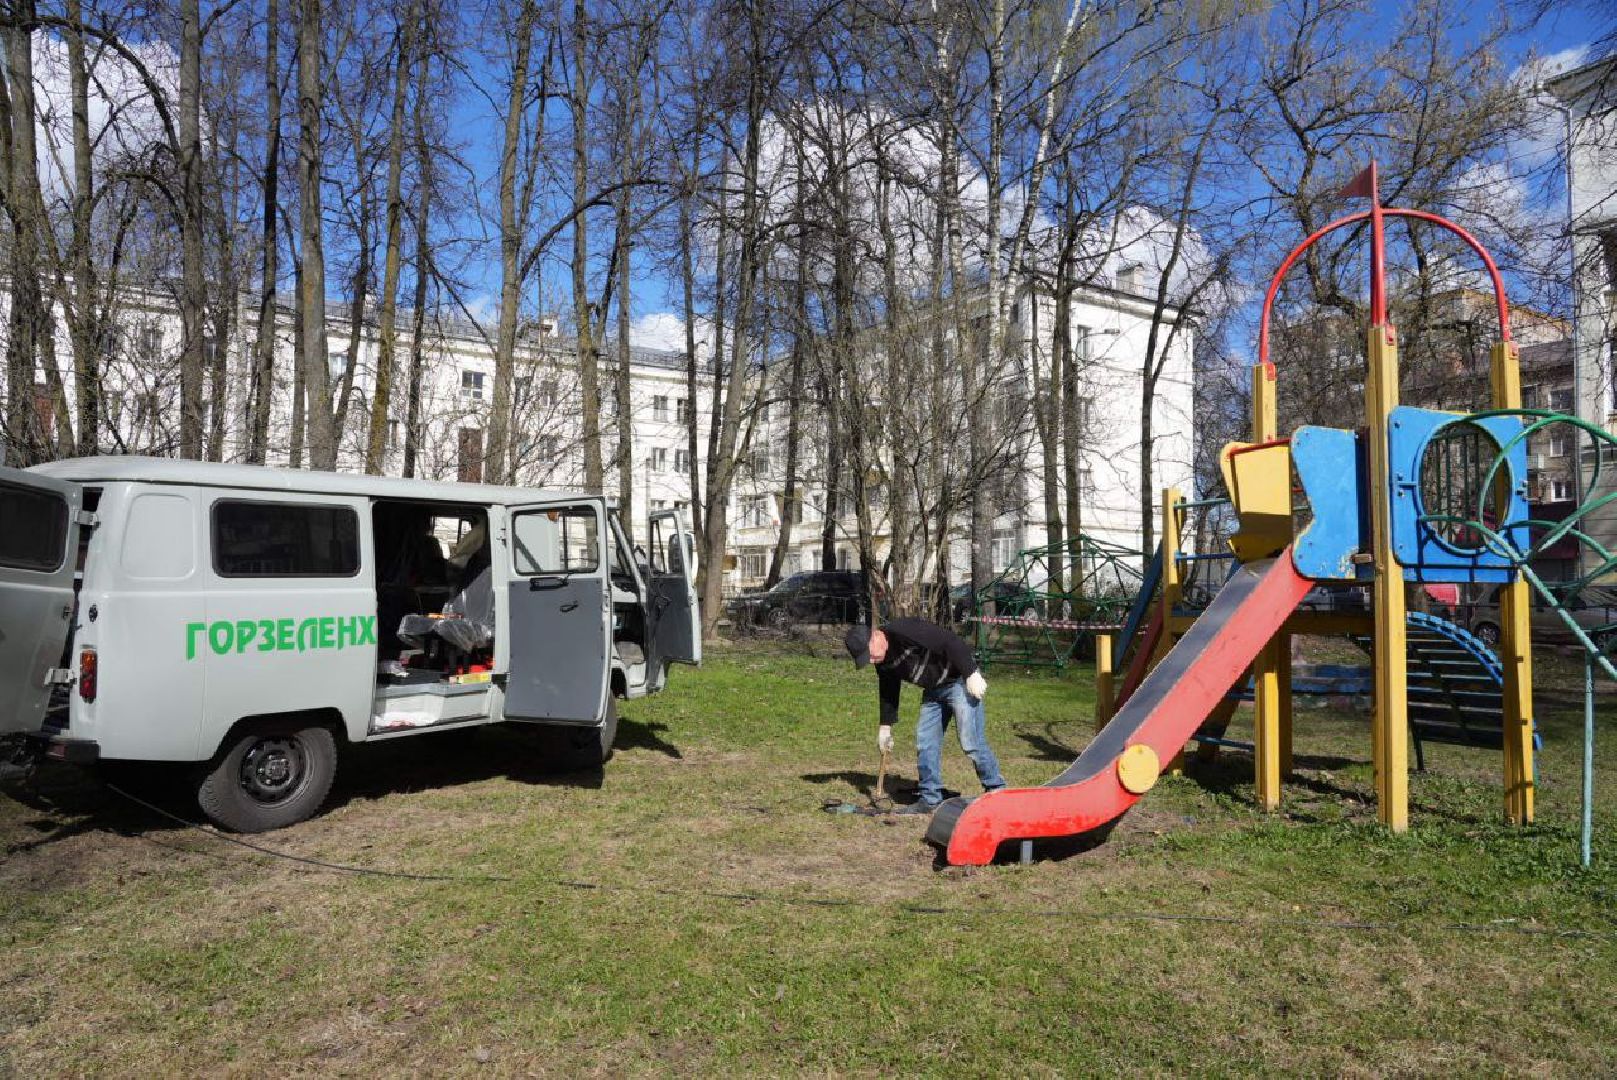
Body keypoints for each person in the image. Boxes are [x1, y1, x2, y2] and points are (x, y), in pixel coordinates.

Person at [844, 618, 1007, 815]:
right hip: (933, 691)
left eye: (869, 655)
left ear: (875, 637)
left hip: (959, 681)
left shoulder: (904, 630)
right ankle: (930, 798)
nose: (870, 661)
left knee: (970, 741)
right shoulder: (883, 660)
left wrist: (971, 673)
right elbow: (888, 690)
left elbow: (950, 641)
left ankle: (997, 791)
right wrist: (885, 726)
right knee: (926, 742)